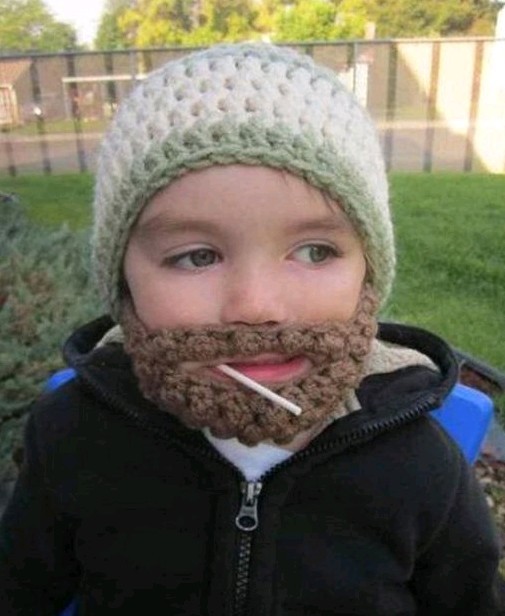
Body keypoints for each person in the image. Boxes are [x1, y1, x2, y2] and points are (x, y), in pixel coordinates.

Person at [0, 43, 503, 616]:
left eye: (314, 251)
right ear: (124, 280)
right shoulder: (74, 438)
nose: (256, 306)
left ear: (368, 270)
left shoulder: (418, 462)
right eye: (196, 257)